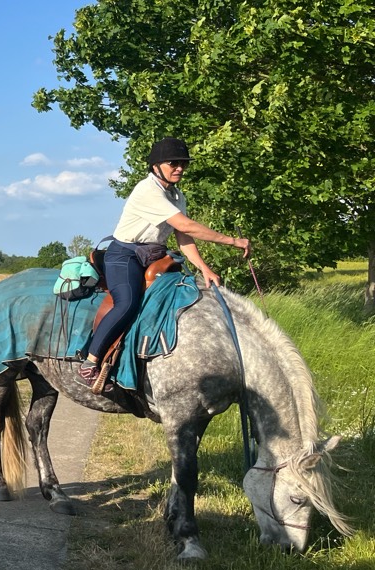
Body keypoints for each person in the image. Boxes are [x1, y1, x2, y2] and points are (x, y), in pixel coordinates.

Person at [80, 136, 252, 387]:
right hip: (125, 256)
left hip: (154, 256)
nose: (180, 168)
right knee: (127, 302)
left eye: (183, 163)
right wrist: (233, 241)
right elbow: (186, 225)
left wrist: (204, 268)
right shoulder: (147, 190)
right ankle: (90, 362)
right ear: (156, 166)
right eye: (174, 163)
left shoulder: (176, 195)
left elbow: (183, 236)